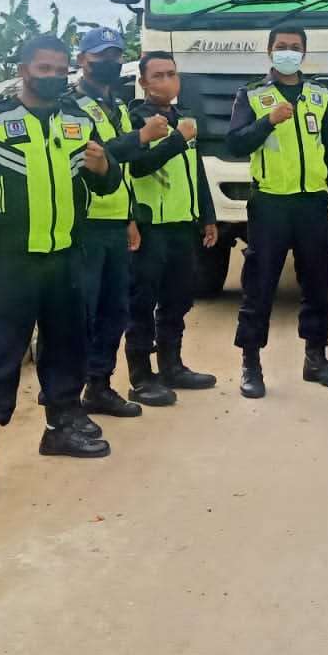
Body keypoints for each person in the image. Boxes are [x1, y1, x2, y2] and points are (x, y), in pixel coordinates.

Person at [0, 34, 120, 501]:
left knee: (68, 345)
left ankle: (61, 428)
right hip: (13, 261)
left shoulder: (78, 120)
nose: (53, 77)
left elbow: (107, 187)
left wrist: (105, 167)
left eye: (60, 69)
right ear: (24, 69)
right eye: (44, 69)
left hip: (68, 255)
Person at [226, 26, 328, 399]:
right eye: (282, 47)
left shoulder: (319, 95)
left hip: (312, 202)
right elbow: (235, 143)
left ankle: (316, 358)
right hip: (270, 204)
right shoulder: (252, 94)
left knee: (317, 282)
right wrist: (268, 121)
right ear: (269, 52)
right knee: (259, 285)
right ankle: (251, 364)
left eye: (295, 48)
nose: (288, 53)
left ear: (304, 53)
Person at [71, 26, 171, 419]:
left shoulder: (114, 106)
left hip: (115, 223)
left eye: (116, 55)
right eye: (101, 56)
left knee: (115, 312)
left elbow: (120, 169)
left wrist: (129, 216)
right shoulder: (71, 106)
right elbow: (94, 155)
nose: (110, 62)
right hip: (86, 225)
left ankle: (100, 386)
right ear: (83, 60)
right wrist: (142, 137)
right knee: (83, 314)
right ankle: (68, 398)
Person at [126, 51, 219, 404]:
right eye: (158, 75)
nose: (167, 81)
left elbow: (196, 171)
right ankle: (140, 375)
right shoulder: (135, 119)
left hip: (183, 224)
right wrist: (175, 140)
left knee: (178, 298)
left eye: (172, 74)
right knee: (142, 300)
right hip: (150, 227)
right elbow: (137, 167)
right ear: (143, 82)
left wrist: (207, 215)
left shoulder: (185, 119)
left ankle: (172, 365)